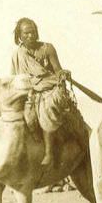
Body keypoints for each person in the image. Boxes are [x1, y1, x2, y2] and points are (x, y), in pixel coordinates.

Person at [11, 17, 73, 167]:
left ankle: (49, 153)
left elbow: (57, 70)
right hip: (28, 90)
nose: (30, 36)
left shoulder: (47, 48)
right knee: (23, 117)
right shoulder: (17, 54)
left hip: (48, 88)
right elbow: (15, 77)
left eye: (32, 32)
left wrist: (63, 74)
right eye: (25, 33)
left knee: (46, 110)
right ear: (19, 36)